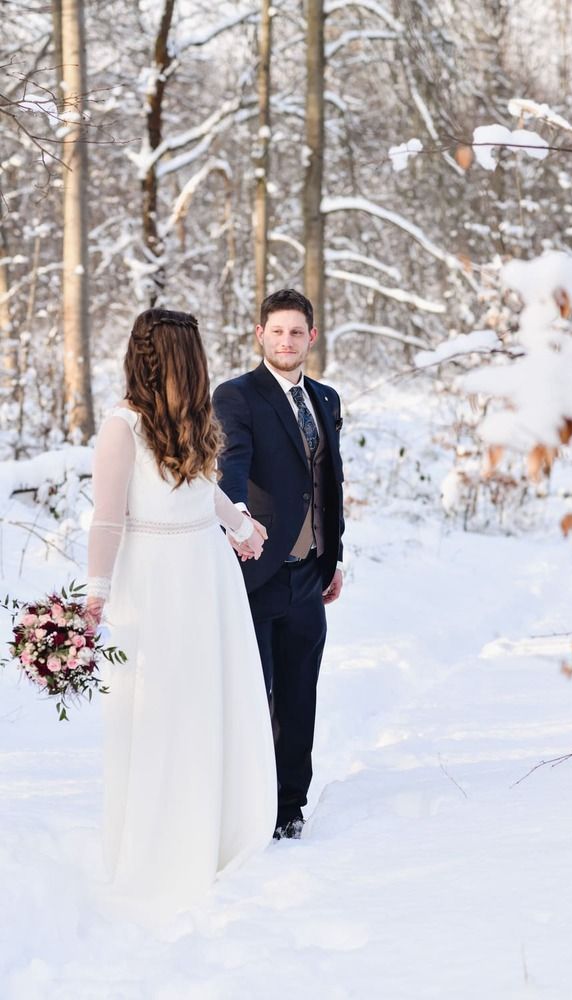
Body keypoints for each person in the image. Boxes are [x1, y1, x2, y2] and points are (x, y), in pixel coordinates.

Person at [86, 308, 276, 912]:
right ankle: (167, 840)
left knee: (207, 701)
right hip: (159, 581)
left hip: (204, 571)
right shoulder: (124, 428)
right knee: (164, 708)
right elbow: (109, 518)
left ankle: (214, 826)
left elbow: (202, 489)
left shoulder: (192, 422)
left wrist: (240, 523)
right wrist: (95, 591)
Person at [212, 288, 344, 841]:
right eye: (277, 331)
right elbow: (231, 461)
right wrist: (238, 517)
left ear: (311, 337)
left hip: (311, 573)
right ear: (259, 334)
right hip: (259, 571)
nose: (287, 340)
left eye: (297, 331)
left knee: (300, 694)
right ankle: (253, 807)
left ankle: (291, 805)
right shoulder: (237, 396)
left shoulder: (327, 398)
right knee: (256, 693)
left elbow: (328, 483)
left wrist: (333, 555)